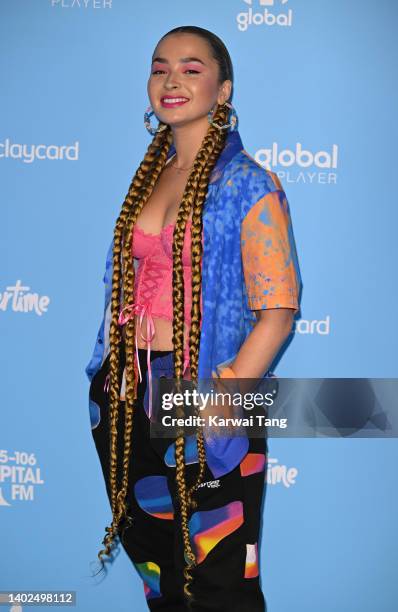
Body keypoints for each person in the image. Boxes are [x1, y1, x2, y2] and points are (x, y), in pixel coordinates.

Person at [85, 25, 301, 612]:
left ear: (223, 89)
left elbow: (278, 309)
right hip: (129, 391)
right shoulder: (149, 177)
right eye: (160, 67)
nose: (171, 79)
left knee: (221, 576)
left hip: (206, 391)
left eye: (191, 67)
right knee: (157, 568)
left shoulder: (248, 183)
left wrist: (227, 397)